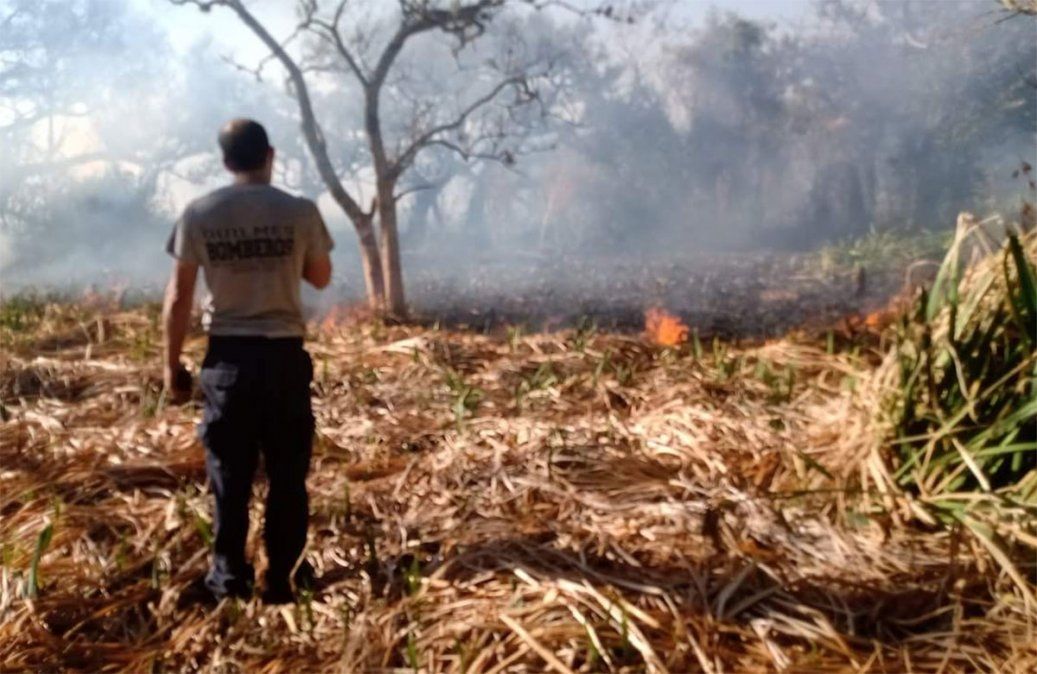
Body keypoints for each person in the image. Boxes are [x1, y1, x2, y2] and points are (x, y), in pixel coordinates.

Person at [162, 118, 334, 604]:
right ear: (270, 155)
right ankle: (281, 577)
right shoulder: (300, 212)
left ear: (225, 161)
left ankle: (229, 580)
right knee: (287, 474)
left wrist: (171, 365)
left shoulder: (199, 213)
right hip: (283, 359)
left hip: (228, 361)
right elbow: (320, 277)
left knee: (229, 477)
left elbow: (178, 297)